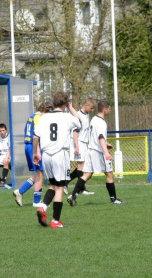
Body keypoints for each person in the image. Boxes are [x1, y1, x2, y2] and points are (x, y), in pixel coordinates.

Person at [33, 91, 81, 228]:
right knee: (60, 188)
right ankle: (55, 221)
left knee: (53, 185)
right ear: (65, 103)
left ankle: (42, 207)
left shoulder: (44, 117)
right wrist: (71, 107)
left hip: (46, 155)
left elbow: (36, 137)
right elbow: (80, 121)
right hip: (60, 154)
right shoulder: (67, 117)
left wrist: (35, 154)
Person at [68, 100, 126, 206]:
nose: (110, 110)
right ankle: (114, 199)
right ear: (105, 110)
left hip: (90, 149)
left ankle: (73, 195)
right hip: (98, 152)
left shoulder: (93, 119)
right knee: (109, 174)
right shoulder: (102, 122)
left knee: (87, 174)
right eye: (109, 109)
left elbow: (95, 136)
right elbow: (100, 137)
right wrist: (106, 152)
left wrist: (106, 143)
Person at [13, 101, 52, 207]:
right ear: (46, 111)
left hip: (28, 146)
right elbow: (37, 136)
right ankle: (36, 201)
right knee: (40, 174)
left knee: (38, 174)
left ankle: (20, 191)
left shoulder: (32, 116)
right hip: (34, 146)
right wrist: (37, 151)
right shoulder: (39, 118)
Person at [66, 97, 96, 196]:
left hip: (84, 143)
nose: (92, 110)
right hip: (78, 142)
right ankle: (82, 189)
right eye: (91, 108)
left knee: (82, 166)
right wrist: (77, 146)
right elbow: (75, 131)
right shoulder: (78, 116)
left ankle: (65, 182)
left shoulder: (86, 115)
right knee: (80, 166)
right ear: (86, 105)